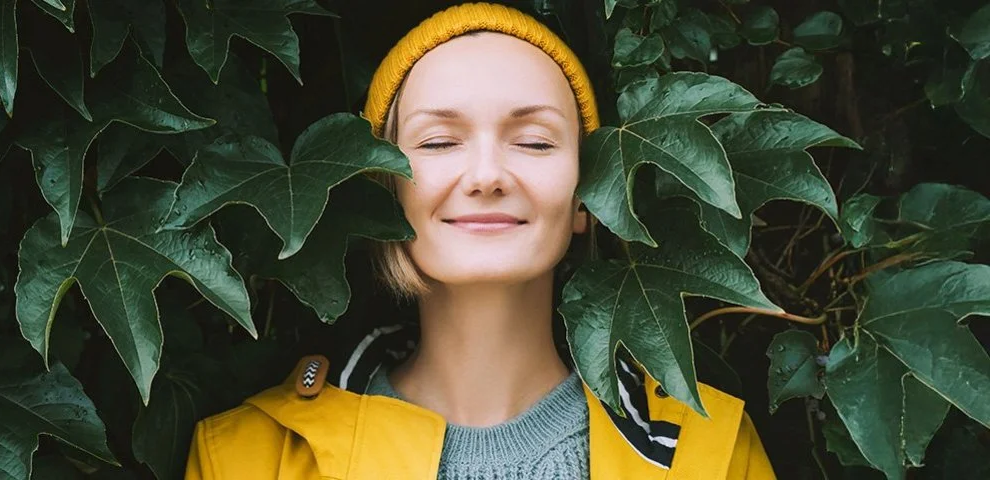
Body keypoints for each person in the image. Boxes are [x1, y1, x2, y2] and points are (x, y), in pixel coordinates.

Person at [183, 3, 775, 479]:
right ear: (385, 190)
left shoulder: (713, 455)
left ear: (586, 199)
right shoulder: (246, 460)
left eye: (535, 141)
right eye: (440, 142)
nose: (487, 175)